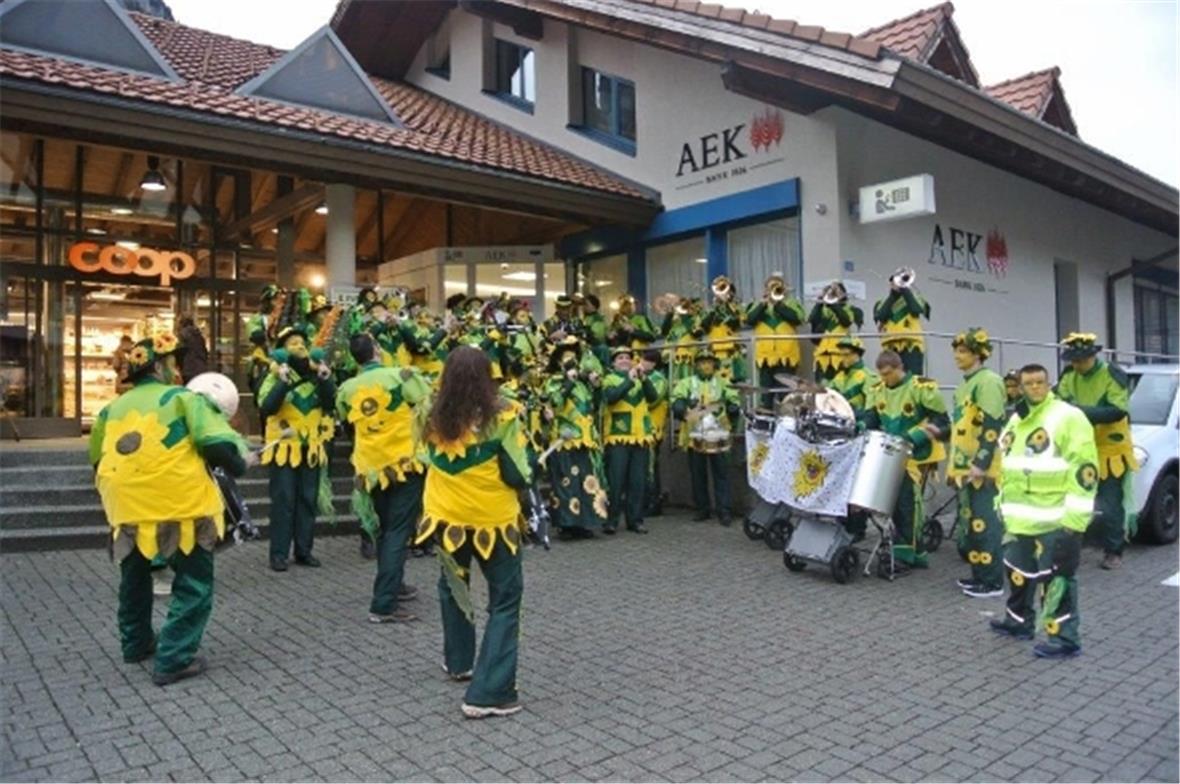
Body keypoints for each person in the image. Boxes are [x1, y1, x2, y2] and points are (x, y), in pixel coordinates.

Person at [89, 332, 250, 686]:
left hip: (126, 508)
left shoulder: (110, 410)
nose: (176, 369)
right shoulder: (183, 399)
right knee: (193, 583)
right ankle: (173, 659)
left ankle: (136, 644)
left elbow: (96, 458)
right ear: (161, 367)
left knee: (134, 578)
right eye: (173, 362)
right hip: (180, 505)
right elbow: (216, 443)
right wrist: (240, 464)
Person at [413, 346, 531, 719]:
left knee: (453, 586)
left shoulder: (429, 414)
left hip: (445, 518)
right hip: (493, 522)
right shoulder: (504, 417)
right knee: (505, 599)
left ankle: (460, 661)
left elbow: (423, 458)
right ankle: (489, 692)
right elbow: (518, 473)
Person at [990, 363, 1097, 658]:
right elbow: (1008, 466)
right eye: (1029, 383)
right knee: (1018, 573)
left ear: (1049, 384)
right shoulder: (1016, 420)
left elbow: (1084, 469)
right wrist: (1001, 505)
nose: (1035, 387)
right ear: (1020, 387)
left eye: (1040, 382)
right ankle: (1018, 622)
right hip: (1018, 520)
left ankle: (1064, 639)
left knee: (1057, 580)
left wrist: (1075, 521)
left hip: (1054, 520)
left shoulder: (1068, 417)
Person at [336, 333, 432, 623]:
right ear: (378, 351)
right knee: (398, 531)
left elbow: (346, 420)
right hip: (405, 465)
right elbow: (428, 407)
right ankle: (383, 604)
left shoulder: (346, 388)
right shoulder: (402, 376)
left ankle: (395, 585)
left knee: (386, 529)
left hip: (372, 470)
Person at [1054, 332, 1138, 570]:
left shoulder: (1111, 374)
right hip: (1080, 449)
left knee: (1110, 504)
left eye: (1081, 360)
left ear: (1092, 356)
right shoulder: (1070, 375)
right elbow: (1058, 401)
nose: (1077, 365)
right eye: (1073, 360)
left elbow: (1118, 410)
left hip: (1109, 451)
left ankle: (1113, 551)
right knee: (1074, 500)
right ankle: (1071, 545)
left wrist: (1078, 412)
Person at [257, 325, 337, 572]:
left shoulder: (317, 373)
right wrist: (282, 382)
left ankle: (304, 551)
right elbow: (266, 407)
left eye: (302, 342)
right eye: (292, 343)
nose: (300, 346)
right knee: (284, 501)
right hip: (284, 450)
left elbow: (329, 404)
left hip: (310, 448)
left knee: (307, 500)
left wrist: (325, 379)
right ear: (282, 350)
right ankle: (279, 554)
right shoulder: (273, 375)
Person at [860, 350, 949, 569]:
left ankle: (910, 552)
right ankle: (903, 547)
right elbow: (872, 418)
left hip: (917, 455)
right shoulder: (878, 389)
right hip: (890, 454)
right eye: (882, 375)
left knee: (908, 503)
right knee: (891, 502)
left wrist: (915, 436)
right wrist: (861, 425)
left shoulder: (921, 387)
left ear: (900, 368)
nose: (885, 379)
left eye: (888, 374)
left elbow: (943, 422)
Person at [947, 328, 1006, 597]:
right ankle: (978, 575)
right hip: (965, 468)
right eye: (956, 351)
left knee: (986, 524)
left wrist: (981, 462)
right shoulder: (965, 384)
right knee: (971, 525)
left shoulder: (989, 382)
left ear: (978, 354)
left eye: (963, 351)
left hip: (983, 469)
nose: (957, 356)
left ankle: (992, 582)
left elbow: (992, 425)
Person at [543, 338, 609, 539]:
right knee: (566, 482)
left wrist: (596, 385)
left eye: (574, 359)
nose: (571, 362)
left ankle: (585, 523)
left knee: (587, 482)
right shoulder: (553, 382)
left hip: (586, 438)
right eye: (567, 359)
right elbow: (554, 402)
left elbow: (597, 404)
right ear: (559, 363)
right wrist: (568, 382)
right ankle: (566, 525)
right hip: (565, 439)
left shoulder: (583, 384)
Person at [671, 349, 741, 525]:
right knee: (698, 474)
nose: (706, 365)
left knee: (721, 473)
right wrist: (680, 406)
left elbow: (734, 397)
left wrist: (733, 406)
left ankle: (724, 511)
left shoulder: (723, 382)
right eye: (702, 362)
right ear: (696, 365)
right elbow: (676, 398)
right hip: (695, 433)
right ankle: (702, 509)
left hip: (718, 433)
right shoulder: (687, 382)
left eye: (709, 362)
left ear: (714, 364)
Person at [602, 347, 660, 534]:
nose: (625, 360)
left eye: (628, 357)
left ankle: (635, 520)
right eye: (620, 358)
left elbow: (653, 398)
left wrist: (644, 379)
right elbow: (611, 398)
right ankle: (611, 521)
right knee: (616, 481)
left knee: (638, 482)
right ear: (613, 363)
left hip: (640, 437)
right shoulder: (609, 379)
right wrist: (629, 380)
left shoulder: (640, 379)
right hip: (618, 436)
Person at [828, 336, 876, 540]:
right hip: (841, 435)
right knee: (841, 478)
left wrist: (859, 421)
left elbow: (872, 408)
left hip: (859, 434)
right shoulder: (838, 378)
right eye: (841, 355)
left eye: (847, 355)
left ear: (858, 355)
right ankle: (841, 522)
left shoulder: (868, 377)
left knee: (857, 482)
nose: (843, 359)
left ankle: (857, 527)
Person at [745, 274, 805, 406]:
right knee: (766, 394)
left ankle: (786, 417)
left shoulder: (792, 303)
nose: (773, 289)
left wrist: (779, 305)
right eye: (770, 287)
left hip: (787, 356)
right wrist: (763, 305)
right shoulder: (757, 304)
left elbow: (797, 319)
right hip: (765, 357)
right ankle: (767, 416)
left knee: (786, 394)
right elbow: (749, 320)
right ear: (765, 289)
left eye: (777, 286)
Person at [872, 270, 931, 376]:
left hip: (912, 345)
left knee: (912, 378)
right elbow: (881, 316)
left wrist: (905, 290)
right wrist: (893, 296)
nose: (897, 283)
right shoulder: (881, 303)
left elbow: (916, 309)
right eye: (894, 281)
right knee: (890, 377)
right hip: (890, 346)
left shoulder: (915, 298)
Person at [808, 282, 864, 382]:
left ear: (844, 293)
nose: (832, 293)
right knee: (822, 389)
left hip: (842, 357)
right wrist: (819, 302)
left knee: (841, 388)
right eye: (830, 291)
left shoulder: (852, 310)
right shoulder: (822, 310)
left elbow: (845, 321)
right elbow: (812, 321)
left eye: (836, 291)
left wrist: (834, 304)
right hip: (823, 358)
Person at [640, 349, 670, 517]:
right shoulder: (642, 376)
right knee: (645, 465)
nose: (641, 363)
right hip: (641, 428)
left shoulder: (659, 379)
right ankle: (646, 500)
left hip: (653, 428)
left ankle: (654, 502)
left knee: (650, 466)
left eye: (645, 360)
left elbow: (653, 400)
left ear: (653, 363)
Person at [178, 315, 209, 382]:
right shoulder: (199, 335)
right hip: (201, 368)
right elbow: (205, 352)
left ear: (182, 324)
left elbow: (180, 352)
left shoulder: (183, 334)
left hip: (188, 368)